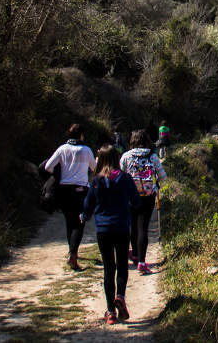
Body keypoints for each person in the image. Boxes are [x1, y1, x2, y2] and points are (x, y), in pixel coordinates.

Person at [81, 144, 140, 325]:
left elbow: (88, 205)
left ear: (101, 160)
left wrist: (84, 215)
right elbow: (136, 201)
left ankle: (110, 312)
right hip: (122, 227)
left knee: (109, 268)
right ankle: (120, 296)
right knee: (122, 265)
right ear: (116, 159)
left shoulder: (97, 181)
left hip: (103, 230)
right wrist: (130, 211)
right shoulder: (125, 178)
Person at [43, 123, 96, 270]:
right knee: (79, 222)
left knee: (69, 221)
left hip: (64, 190)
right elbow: (94, 168)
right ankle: (73, 254)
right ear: (81, 135)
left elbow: (48, 166)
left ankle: (72, 251)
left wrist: (59, 173)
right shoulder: (86, 150)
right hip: (80, 189)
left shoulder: (62, 148)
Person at [120, 130, 167, 275]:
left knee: (132, 225)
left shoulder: (126, 156)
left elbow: (119, 175)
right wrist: (156, 184)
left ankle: (134, 254)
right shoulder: (152, 156)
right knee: (143, 227)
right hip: (147, 196)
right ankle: (141, 261)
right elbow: (163, 177)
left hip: (130, 195)